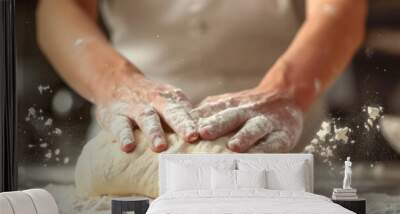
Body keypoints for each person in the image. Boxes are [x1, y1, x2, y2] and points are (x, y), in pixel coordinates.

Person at [36, 0, 367, 153]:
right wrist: (116, 84)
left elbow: (342, 9)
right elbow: (60, 8)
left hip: (281, 136)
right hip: (135, 129)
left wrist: (286, 91)